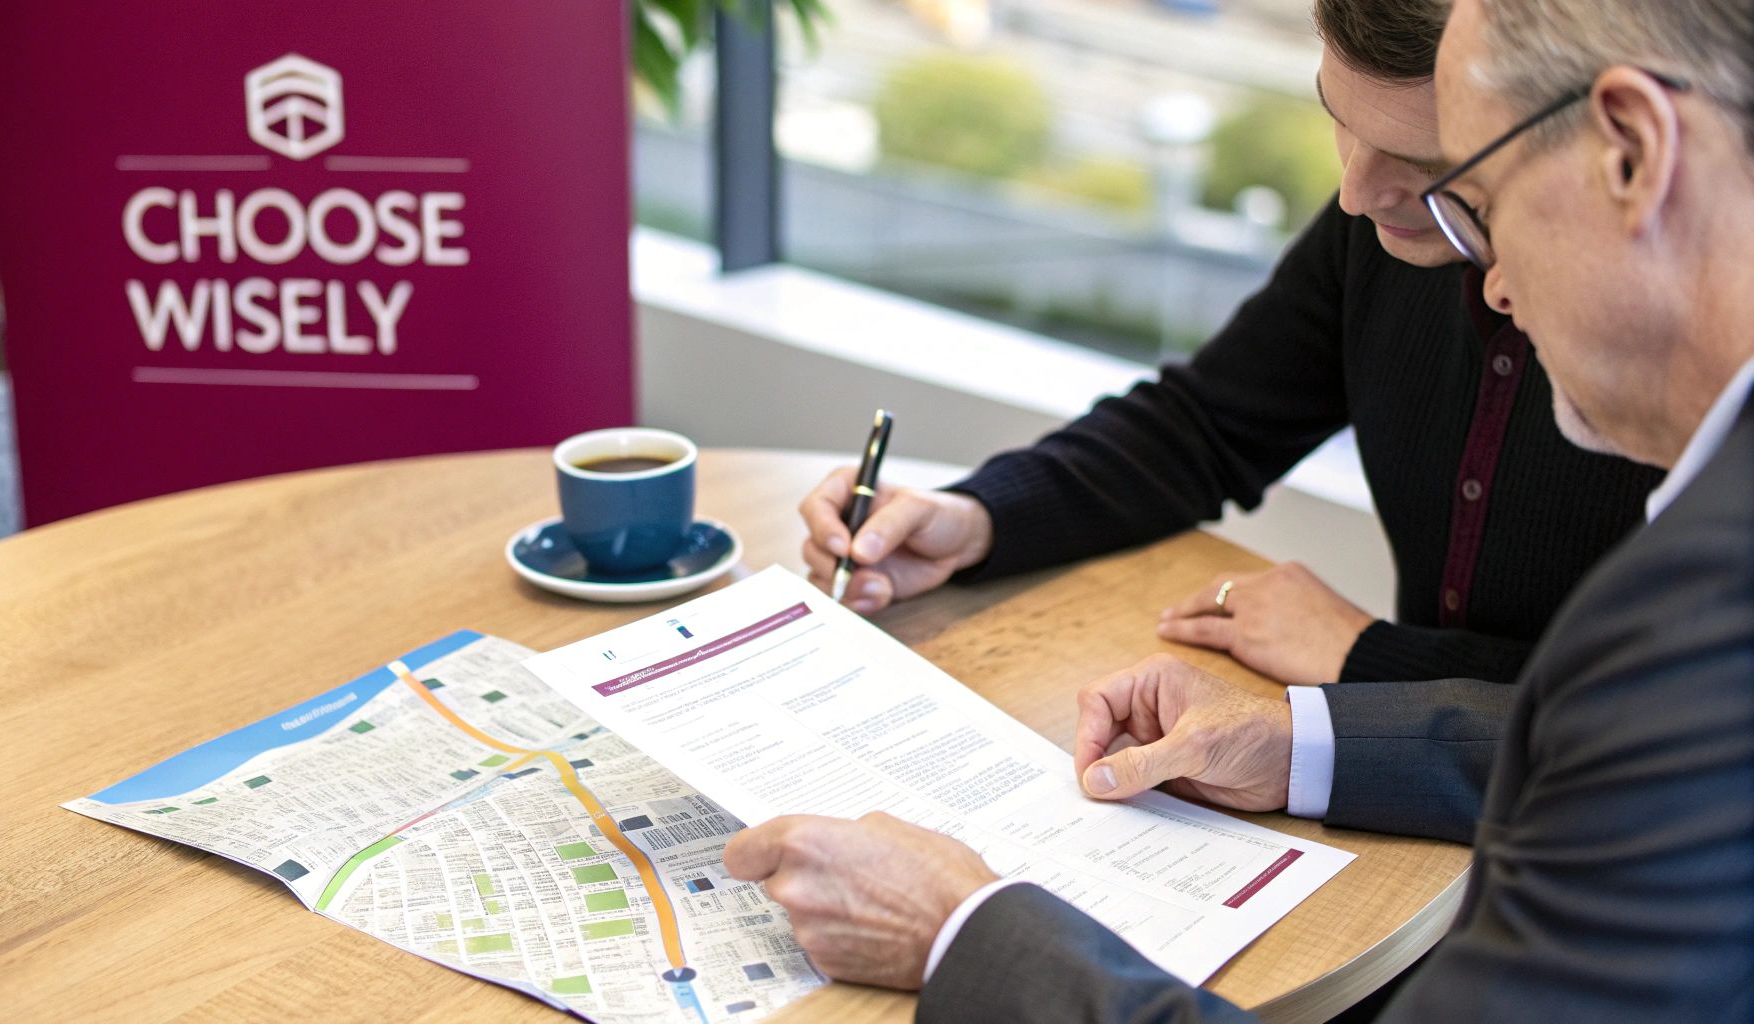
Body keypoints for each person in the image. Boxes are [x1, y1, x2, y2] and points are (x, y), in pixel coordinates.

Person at [728, 0, 1754, 1019]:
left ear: (1632, 150)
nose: (1490, 287)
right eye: (1335, 120)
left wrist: (959, 929)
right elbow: (1210, 418)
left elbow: (1622, 735)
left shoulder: (1704, 614)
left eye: (1469, 192)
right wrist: (1304, 738)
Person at [800, 0, 1663, 688]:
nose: (1356, 193)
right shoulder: (1389, 226)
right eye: (1340, 119)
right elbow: (1206, 423)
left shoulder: (1680, 346)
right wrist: (979, 519)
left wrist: (1368, 655)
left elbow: (1679, 719)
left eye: (1427, 164)